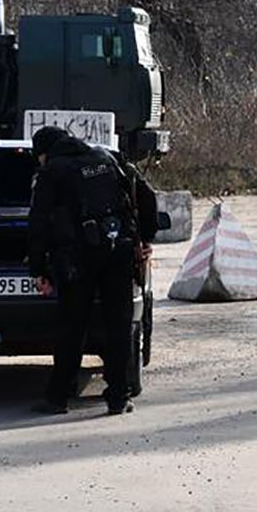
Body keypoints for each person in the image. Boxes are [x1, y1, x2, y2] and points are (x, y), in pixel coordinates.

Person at [28, 126, 158, 416]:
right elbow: (147, 196)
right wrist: (145, 240)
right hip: (119, 252)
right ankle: (118, 398)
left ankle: (58, 398)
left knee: (72, 327)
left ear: (44, 153)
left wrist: (38, 268)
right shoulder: (106, 158)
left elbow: (38, 222)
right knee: (119, 326)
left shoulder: (53, 171)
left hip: (78, 258)